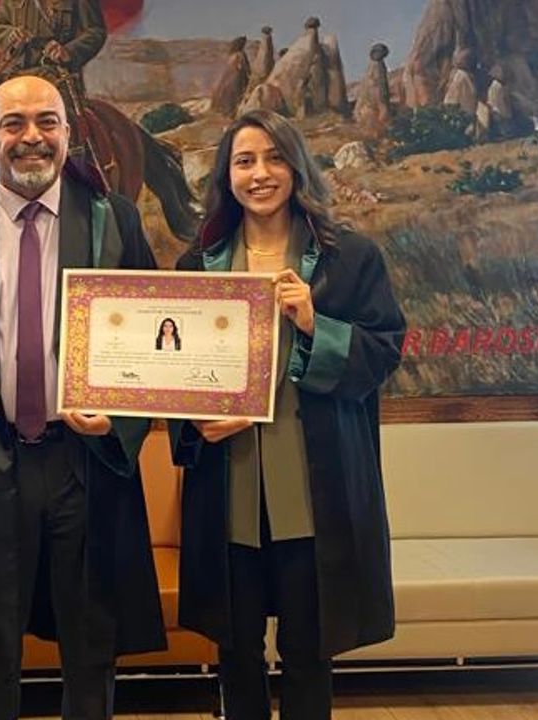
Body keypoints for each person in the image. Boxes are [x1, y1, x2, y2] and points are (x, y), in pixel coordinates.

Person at [0, 75, 164, 720]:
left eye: (46, 122)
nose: (32, 137)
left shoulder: (113, 220)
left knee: (91, 639)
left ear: (67, 133)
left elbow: (150, 342)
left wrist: (119, 423)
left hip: (84, 456)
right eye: (15, 123)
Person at [170, 110, 405, 720]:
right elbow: (175, 374)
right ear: (226, 176)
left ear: (297, 167)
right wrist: (195, 422)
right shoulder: (199, 265)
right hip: (230, 489)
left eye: (275, 158)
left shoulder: (349, 258)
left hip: (314, 488)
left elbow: (383, 351)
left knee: (308, 649)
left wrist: (314, 322)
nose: (260, 174)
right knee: (236, 649)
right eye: (244, 161)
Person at [0, 0, 106, 155]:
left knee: (66, 126)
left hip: (55, 72)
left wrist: (67, 51)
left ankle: (73, 162)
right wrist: (11, 35)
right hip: (14, 71)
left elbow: (95, 32)